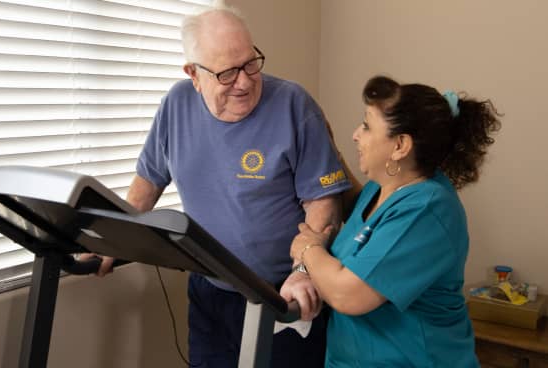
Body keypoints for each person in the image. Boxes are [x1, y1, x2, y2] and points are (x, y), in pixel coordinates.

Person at [94, 3, 361, 368]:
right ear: (194, 74)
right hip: (211, 291)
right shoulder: (176, 105)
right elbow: (149, 180)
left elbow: (324, 202)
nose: (246, 81)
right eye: (228, 73)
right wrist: (113, 238)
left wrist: (302, 272)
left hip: (284, 294)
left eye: (251, 63)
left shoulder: (294, 105)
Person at [287, 75, 501, 367]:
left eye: (366, 125)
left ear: (400, 145)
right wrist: (327, 149)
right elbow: (362, 218)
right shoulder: (385, 186)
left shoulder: (426, 210)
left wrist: (309, 249)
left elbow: (348, 294)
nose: (356, 134)